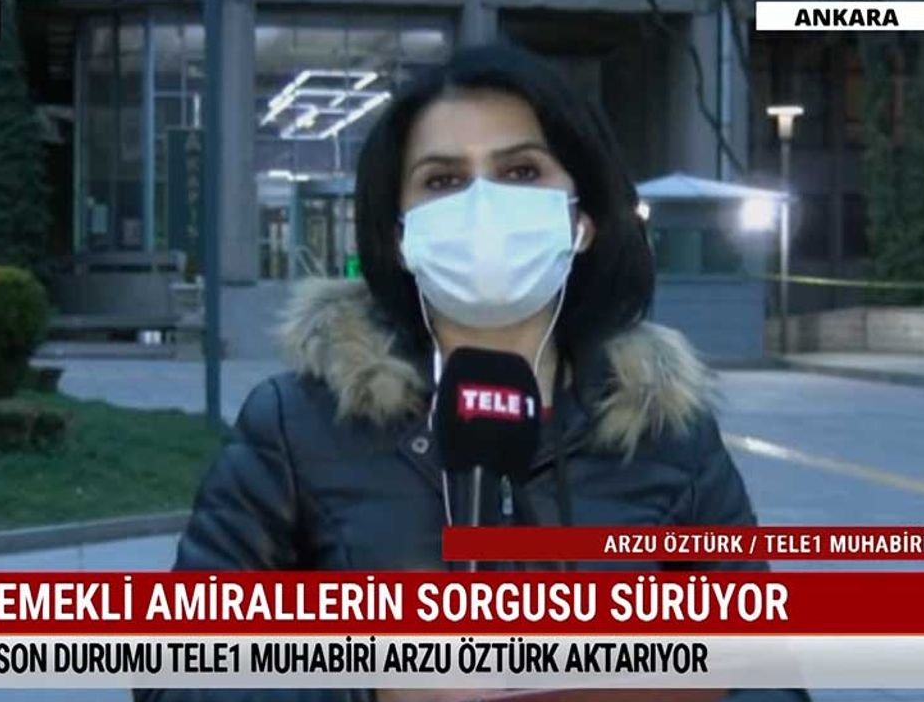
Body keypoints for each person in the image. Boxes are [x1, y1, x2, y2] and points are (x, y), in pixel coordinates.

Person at [136, 43, 805, 702]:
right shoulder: (297, 426)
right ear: (400, 236)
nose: (484, 205)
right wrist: (372, 686)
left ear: (583, 221)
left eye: (521, 171)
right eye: (443, 181)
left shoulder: (670, 437)